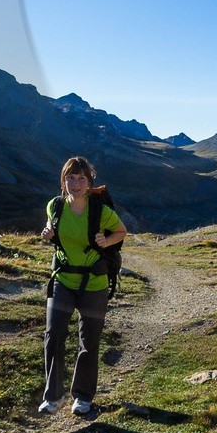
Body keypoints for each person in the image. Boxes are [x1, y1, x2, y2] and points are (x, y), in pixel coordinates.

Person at [38, 155, 126, 416]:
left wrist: (106, 241)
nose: (75, 183)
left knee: (89, 340)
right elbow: (50, 224)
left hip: (94, 283)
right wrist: (47, 232)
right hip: (63, 279)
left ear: (89, 183)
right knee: (53, 336)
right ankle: (53, 397)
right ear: (63, 180)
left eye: (81, 178)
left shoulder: (101, 211)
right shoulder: (55, 206)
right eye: (70, 177)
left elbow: (121, 232)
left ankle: (82, 397)